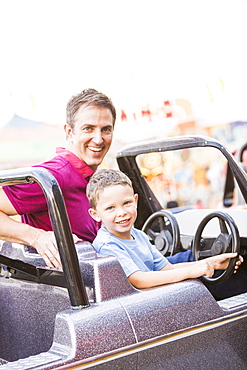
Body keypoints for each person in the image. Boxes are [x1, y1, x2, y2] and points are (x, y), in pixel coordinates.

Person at [0, 88, 116, 269]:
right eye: (88, 129)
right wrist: (37, 237)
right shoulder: (54, 176)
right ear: (69, 132)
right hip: (62, 291)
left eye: (106, 129)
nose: (99, 139)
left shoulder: (93, 179)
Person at [86, 169, 243, 289]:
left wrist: (211, 263)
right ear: (95, 214)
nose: (122, 212)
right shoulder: (108, 245)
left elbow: (167, 268)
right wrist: (190, 272)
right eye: (110, 208)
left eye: (126, 203)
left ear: (135, 200)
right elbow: (139, 280)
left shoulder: (138, 235)